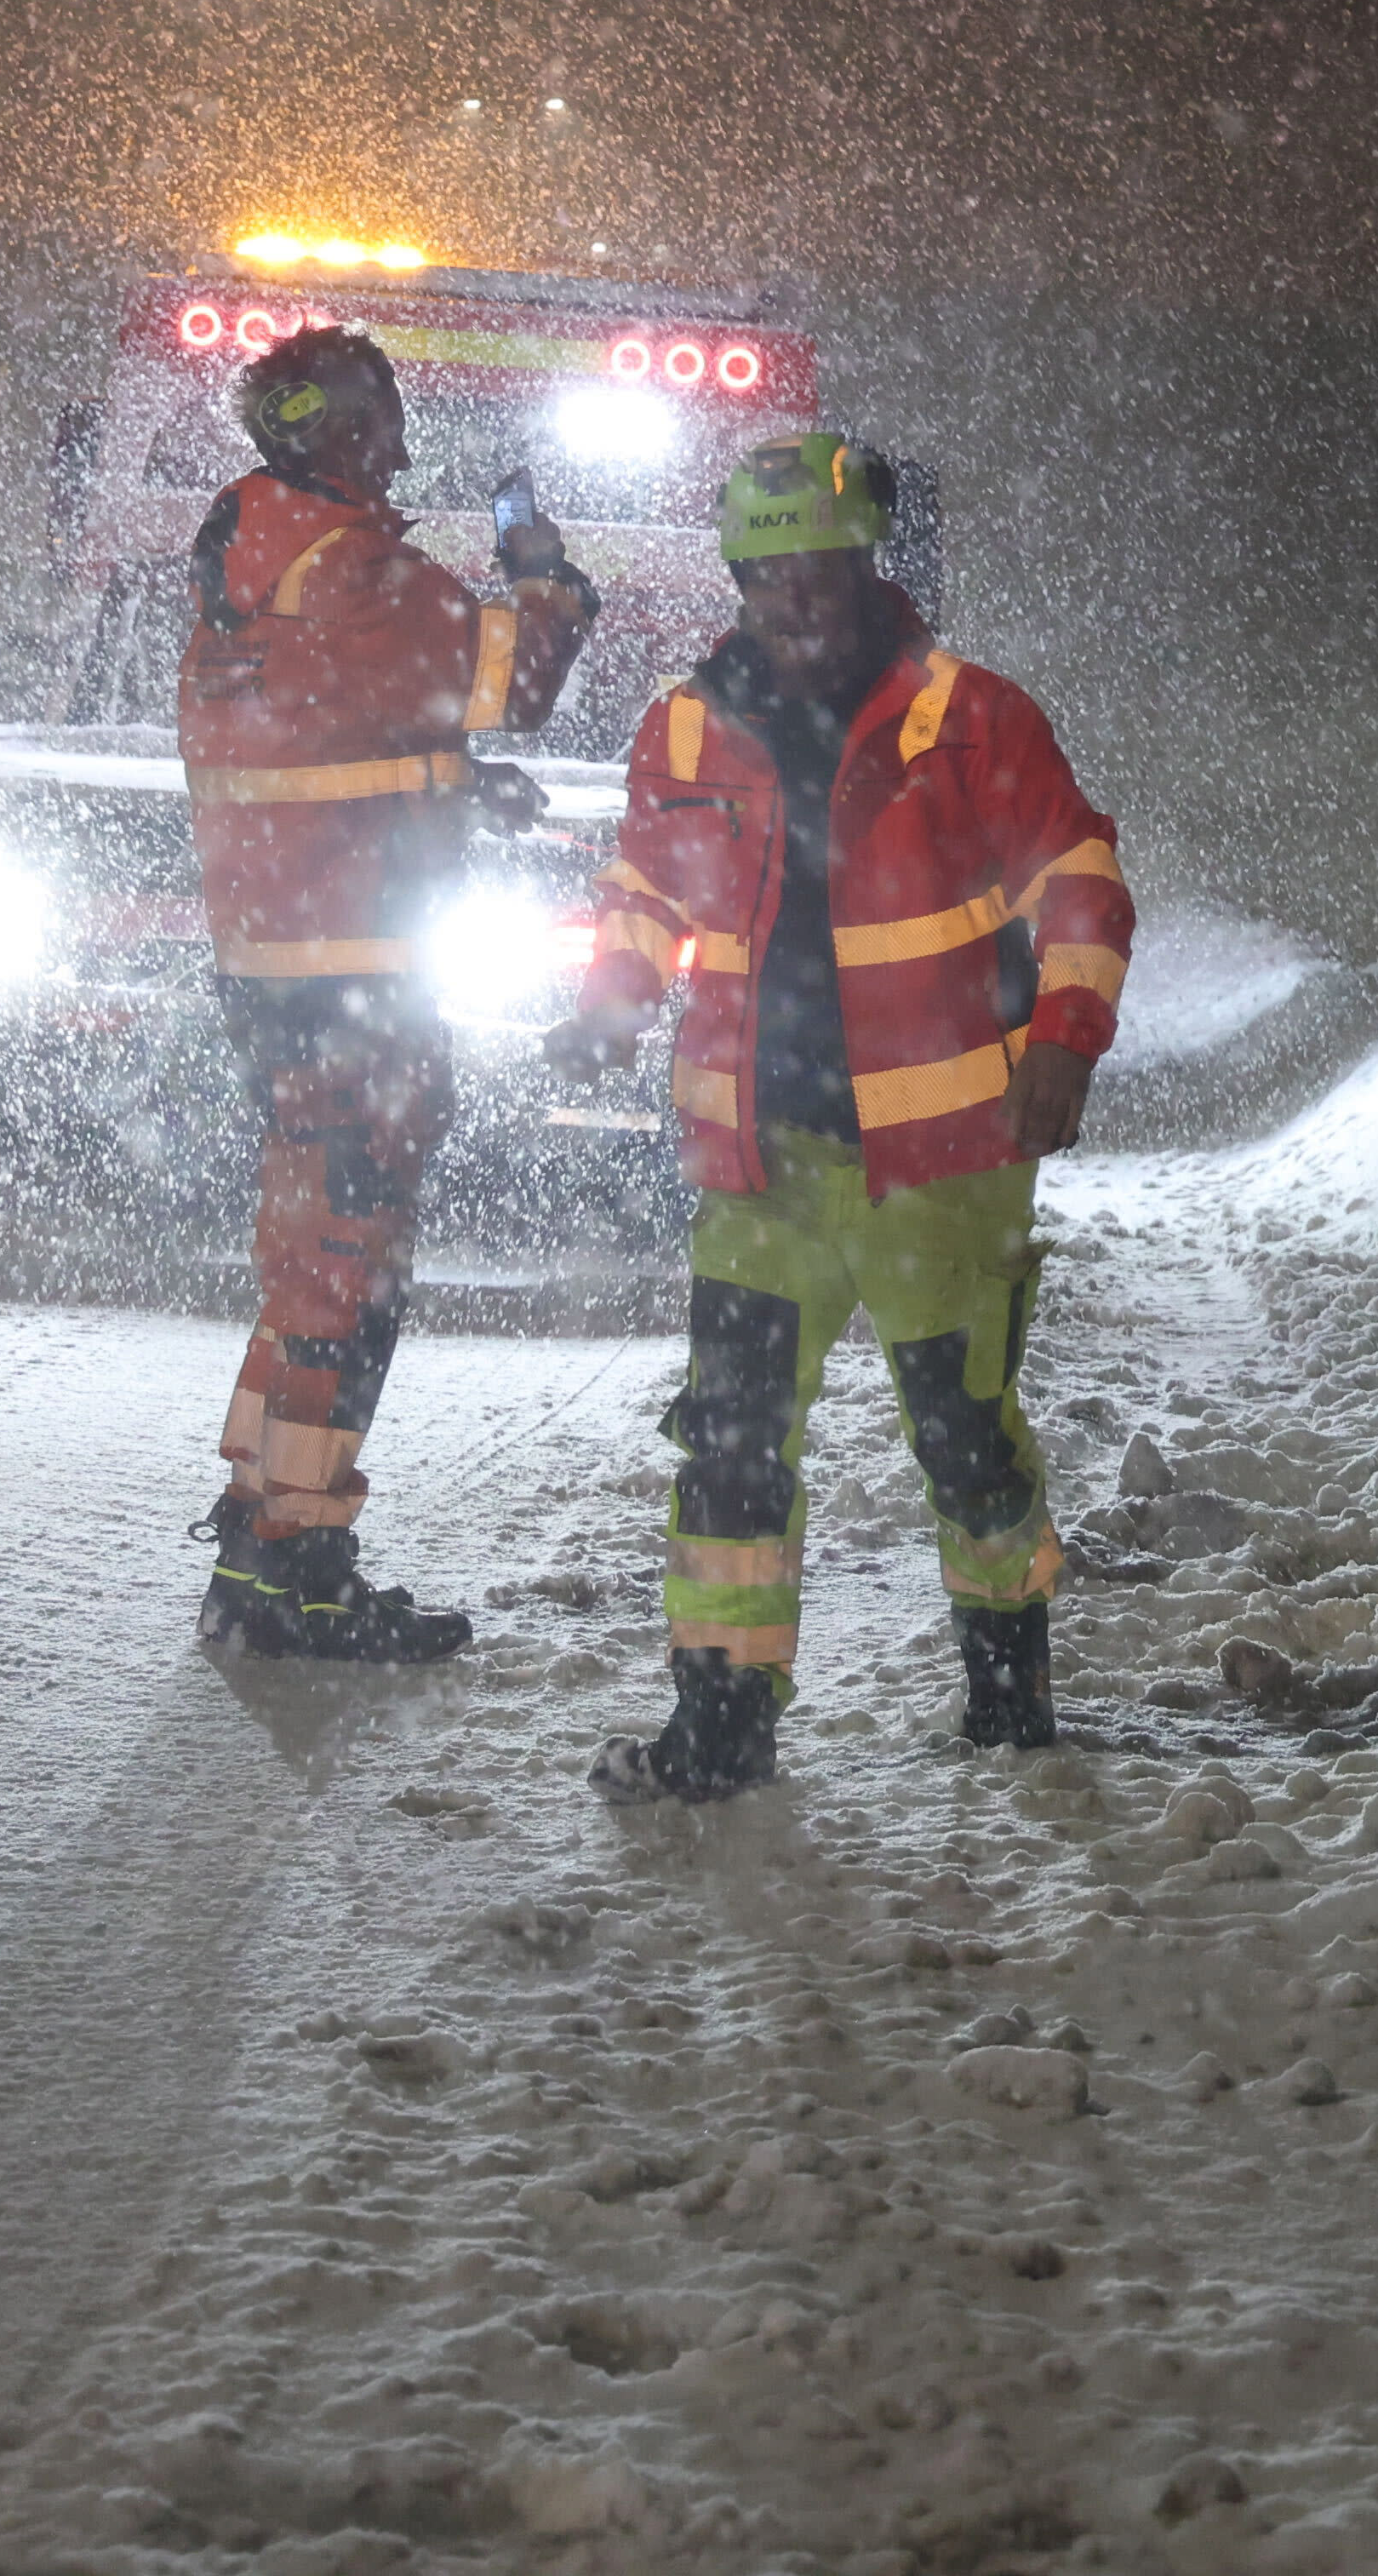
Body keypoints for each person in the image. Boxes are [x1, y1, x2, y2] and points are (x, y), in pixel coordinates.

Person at [546, 432, 1129, 1795]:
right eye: (769, 573)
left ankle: (1007, 1691)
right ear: (737, 576)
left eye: (822, 569)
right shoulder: (687, 725)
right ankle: (722, 1723)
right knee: (731, 1441)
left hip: (940, 1161)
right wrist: (612, 989)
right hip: (763, 1163)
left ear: (868, 566)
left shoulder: (967, 717)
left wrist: (1066, 1039)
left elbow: (1083, 883)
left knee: (962, 1433)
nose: (795, 598)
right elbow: (646, 886)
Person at [180, 324, 598, 1658]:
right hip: (360, 966)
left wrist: (447, 784)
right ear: (347, 432)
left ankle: (257, 1534)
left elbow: (319, 731)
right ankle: (305, 1570)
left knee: (308, 1255)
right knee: (353, 1272)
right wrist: (546, 576)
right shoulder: (354, 567)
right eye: (391, 417)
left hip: (280, 960)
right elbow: (515, 679)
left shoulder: (245, 554)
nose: (406, 444)